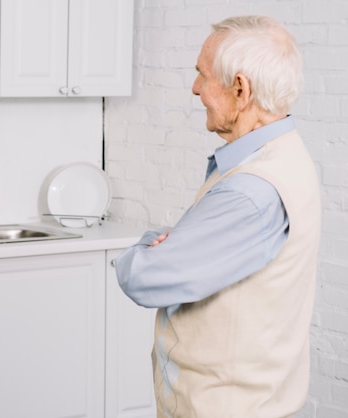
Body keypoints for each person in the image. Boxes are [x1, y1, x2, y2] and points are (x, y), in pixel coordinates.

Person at [115, 15, 320, 417]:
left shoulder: (251, 192)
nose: (195, 89)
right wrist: (179, 241)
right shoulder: (280, 156)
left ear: (240, 89)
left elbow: (142, 276)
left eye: (202, 75)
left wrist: (147, 244)